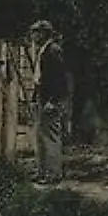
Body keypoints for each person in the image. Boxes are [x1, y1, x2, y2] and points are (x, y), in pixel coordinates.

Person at [30, 19, 70, 184]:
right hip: (42, 98)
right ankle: (42, 172)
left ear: (44, 34)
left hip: (51, 100)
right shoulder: (43, 50)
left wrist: (53, 101)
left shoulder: (53, 50)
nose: (33, 36)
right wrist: (35, 98)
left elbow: (59, 79)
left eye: (36, 33)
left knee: (50, 137)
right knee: (40, 137)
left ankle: (53, 174)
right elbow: (40, 78)